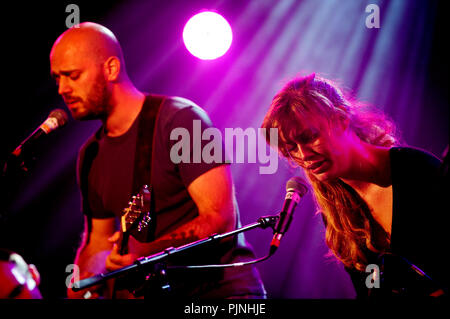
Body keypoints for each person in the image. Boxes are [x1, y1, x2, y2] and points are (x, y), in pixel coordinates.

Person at [50, 22, 266, 299]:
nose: (62, 89)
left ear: (111, 69)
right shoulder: (90, 155)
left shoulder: (180, 120)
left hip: (221, 292)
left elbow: (220, 220)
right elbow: (98, 241)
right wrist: (81, 285)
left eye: (72, 75)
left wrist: (146, 253)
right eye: (57, 79)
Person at [261, 73, 448, 298]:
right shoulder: (337, 212)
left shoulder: (414, 169)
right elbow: (372, 285)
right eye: (292, 148)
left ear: (341, 120)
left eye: (310, 137)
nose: (304, 155)